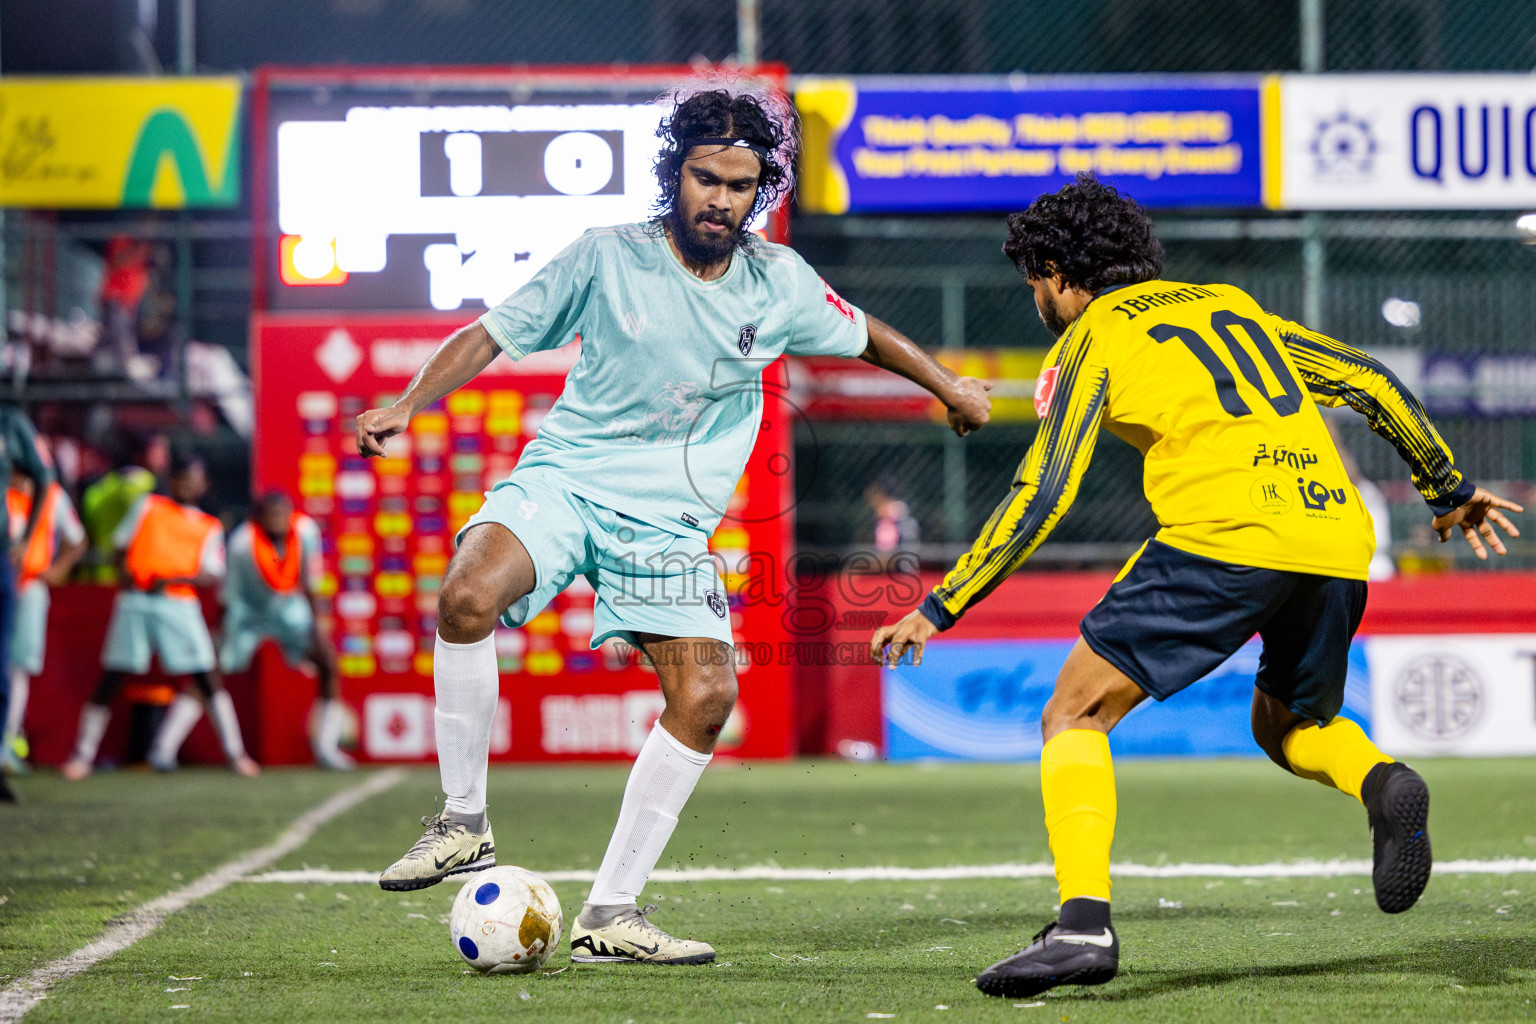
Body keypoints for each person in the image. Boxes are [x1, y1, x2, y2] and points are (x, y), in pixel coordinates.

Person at [356, 78, 992, 963]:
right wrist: (408, 401)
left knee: (707, 696)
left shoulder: (779, 281)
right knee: (466, 596)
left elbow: (868, 333)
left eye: (738, 186)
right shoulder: (605, 254)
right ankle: (463, 821)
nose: (720, 199)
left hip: (667, 528)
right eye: (704, 178)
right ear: (675, 175)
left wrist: (951, 386)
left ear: (756, 191)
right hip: (569, 482)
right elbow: (492, 332)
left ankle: (611, 915)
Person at [870, 174, 1523, 1000]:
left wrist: (941, 604)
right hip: (1333, 536)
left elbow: (1044, 490)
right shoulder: (1231, 303)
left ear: (1056, 270)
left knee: (1074, 711)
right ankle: (1381, 781)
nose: (1037, 299)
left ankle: (1081, 927)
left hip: (1223, 535)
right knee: (1288, 723)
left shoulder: (1092, 336)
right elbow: (1369, 379)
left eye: (1033, 282)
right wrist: (1448, 489)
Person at [62, 453, 260, 781]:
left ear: (203, 484)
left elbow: (212, 574)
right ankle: (82, 755)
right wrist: (123, 572)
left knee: (205, 677)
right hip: (136, 600)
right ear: (171, 480)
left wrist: (174, 580)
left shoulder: (209, 526)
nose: (185, 484)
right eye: (180, 477)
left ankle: (235, 754)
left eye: (192, 478)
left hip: (179, 604)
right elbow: (120, 548)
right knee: (112, 675)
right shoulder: (148, 506)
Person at [221, 491, 351, 769]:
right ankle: (171, 750)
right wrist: (221, 630)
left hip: (290, 611)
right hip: (248, 613)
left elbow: (311, 581)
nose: (278, 520)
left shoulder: (305, 531)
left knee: (328, 661)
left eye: (282, 514)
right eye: (271, 515)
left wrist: (318, 625)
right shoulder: (241, 543)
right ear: (259, 518)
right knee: (209, 671)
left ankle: (326, 748)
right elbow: (229, 594)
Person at [2, 461, 88, 774]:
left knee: (18, 667)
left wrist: (57, 570)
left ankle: (7, 743)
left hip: (30, 587)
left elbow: (77, 540)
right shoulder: (4, 490)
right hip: (4, 583)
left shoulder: (52, 495)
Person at [0, 404, 53, 803]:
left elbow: (43, 476)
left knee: (5, 669)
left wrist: (24, 541)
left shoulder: (9, 420)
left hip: (6, 562)